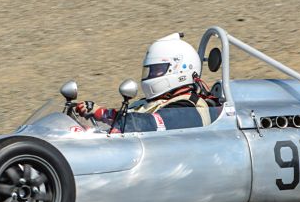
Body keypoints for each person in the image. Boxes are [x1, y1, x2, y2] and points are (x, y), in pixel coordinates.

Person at [75, 33, 220, 132]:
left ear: (180, 69)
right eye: (150, 70)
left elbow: (152, 123)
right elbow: (131, 118)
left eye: (156, 70)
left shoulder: (189, 106)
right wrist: (100, 113)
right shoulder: (150, 103)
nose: (151, 75)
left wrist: (112, 123)